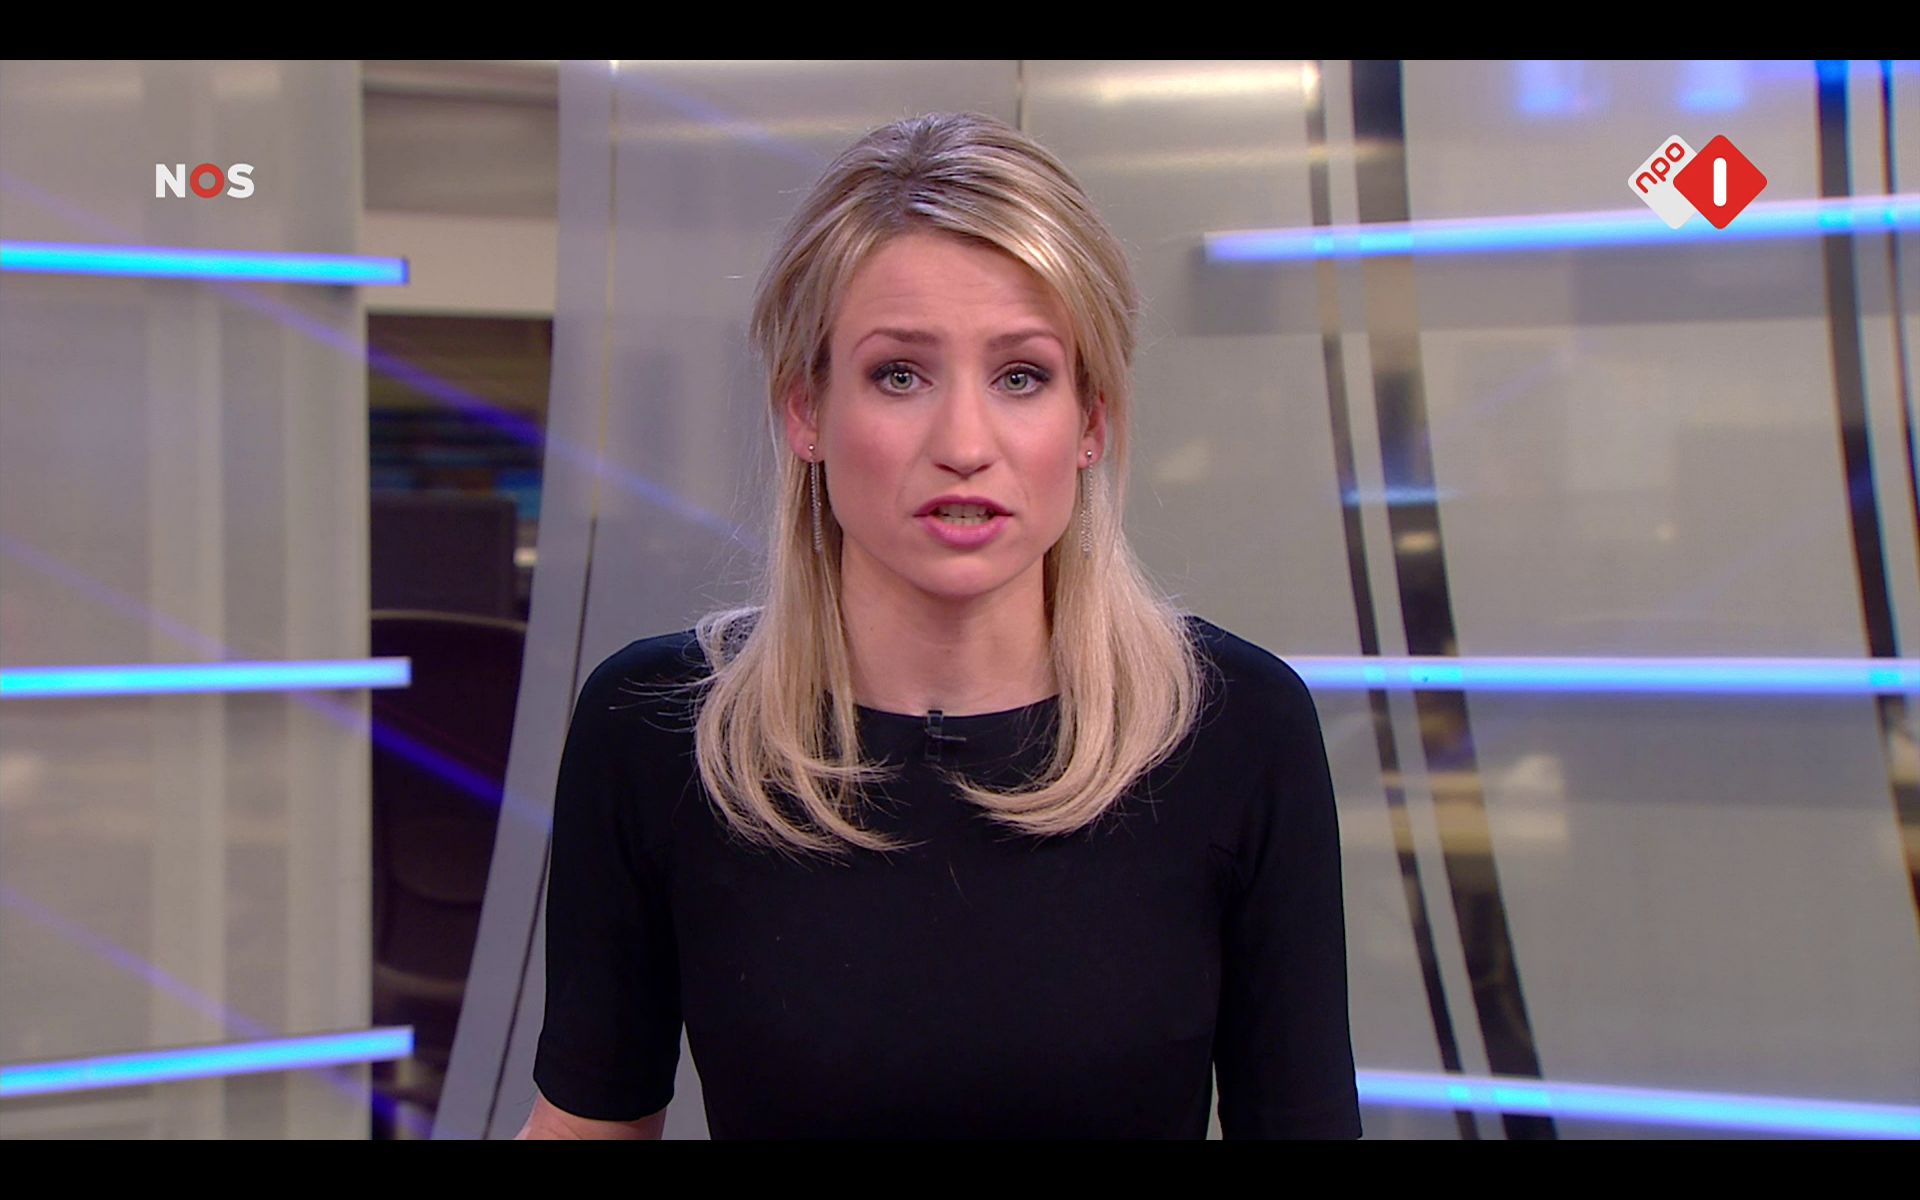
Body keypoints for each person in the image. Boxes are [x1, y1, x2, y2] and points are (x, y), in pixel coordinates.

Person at [517, 111, 1360, 1140]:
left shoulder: (1239, 728)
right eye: (900, 375)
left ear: (1091, 421)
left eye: (1021, 377)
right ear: (806, 410)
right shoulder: (654, 731)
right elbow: (587, 1126)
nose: (965, 441)